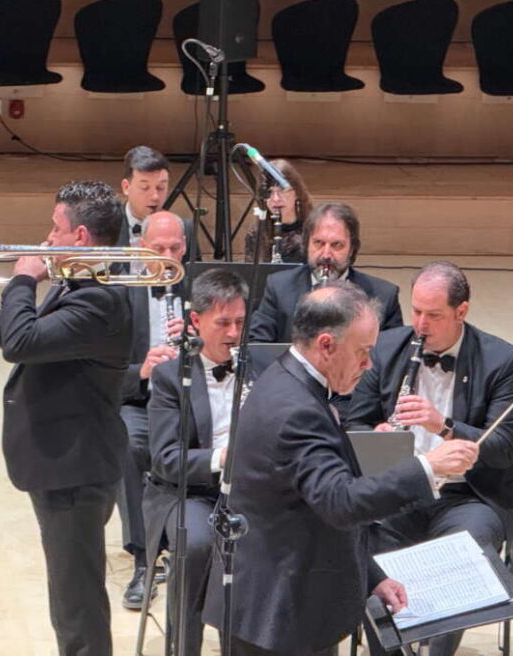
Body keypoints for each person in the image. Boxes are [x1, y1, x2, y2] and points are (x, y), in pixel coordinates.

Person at [208, 282, 480, 656]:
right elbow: (339, 502)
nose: (369, 365)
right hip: (279, 612)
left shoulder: (287, 378)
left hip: (291, 597)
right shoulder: (295, 409)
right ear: (326, 345)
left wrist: (371, 578)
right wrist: (426, 467)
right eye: (363, 352)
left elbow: (314, 508)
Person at [0, 180, 132, 656]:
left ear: (81, 237)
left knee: (78, 609)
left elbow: (22, 344)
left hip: (75, 472)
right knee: (69, 603)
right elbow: (38, 343)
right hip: (64, 465)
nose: (45, 239)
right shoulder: (84, 285)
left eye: (55, 228)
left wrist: (25, 278)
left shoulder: (99, 299)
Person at [345, 261, 513, 656]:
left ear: (462, 312)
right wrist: (374, 434)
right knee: (365, 542)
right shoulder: (388, 347)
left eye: (434, 315)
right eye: (416, 311)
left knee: (467, 548)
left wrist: (443, 425)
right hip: (400, 490)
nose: (421, 325)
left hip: (467, 497)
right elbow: (353, 420)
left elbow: (503, 449)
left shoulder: (502, 360)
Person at [144, 268, 249, 656]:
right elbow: (167, 459)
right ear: (195, 322)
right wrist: (222, 458)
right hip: (187, 493)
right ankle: (183, 648)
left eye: (239, 322)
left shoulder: (261, 369)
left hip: (247, 494)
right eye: (222, 323)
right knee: (202, 543)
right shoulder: (171, 376)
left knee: (263, 541)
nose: (233, 333)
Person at [119, 211, 187, 609]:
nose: (166, 256)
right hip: (140, 401)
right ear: (141, 249)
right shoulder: (120, 292)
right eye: (157, 249)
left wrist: (196, 340)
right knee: (129, 445)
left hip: (192, 403)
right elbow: (104, 369)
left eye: (174, 248)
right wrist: (143, 370)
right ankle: (144, 561)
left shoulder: (202, 286)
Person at [249, 201, 403, 344]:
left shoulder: (384, 296)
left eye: (337, 245)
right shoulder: (278, 287)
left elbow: (392, 359)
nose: (326, 255)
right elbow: (258, 347)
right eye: (319, 243)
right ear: (306, 243)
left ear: (352, 248)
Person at [118, 145, 197, 261]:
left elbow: (194, 277)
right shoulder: (106, 225)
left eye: (161, 187)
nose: (155, 197)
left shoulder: (185, 228)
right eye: (145, 187)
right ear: (126, 187)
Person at [243, 158, 313, 264]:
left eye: (282, 190)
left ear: (297, 193)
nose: (276, 199)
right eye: (269, 192)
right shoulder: (256, 235)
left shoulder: (314, 230)